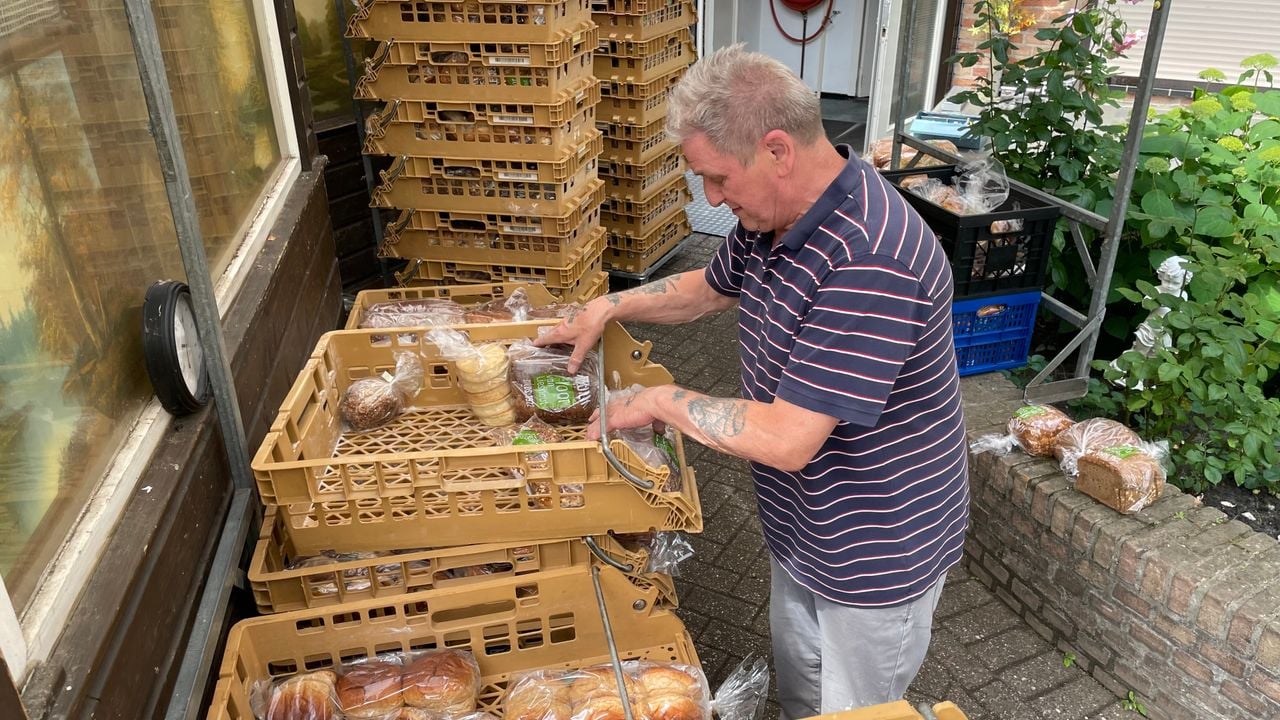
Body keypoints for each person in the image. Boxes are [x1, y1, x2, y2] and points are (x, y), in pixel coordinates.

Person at [537, 44, 968, 719]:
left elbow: (789, 438)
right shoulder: (775, 218)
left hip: (874, 551)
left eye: (717, 177)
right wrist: (611, 305)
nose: (709, 198)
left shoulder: (870, 256)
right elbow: (705, 290)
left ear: (777, 151)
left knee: (856, 710)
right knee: (801, 696)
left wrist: (655, 400)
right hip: (804, 527)